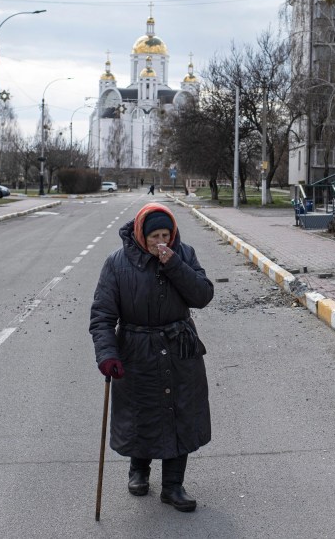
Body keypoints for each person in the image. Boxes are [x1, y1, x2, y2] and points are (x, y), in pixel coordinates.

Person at [89, 203, 214, 512]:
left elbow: (202, 295)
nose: (161, 242)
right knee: (141, 411)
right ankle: (138, 470)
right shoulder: (117, 264)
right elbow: (102, 316)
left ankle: (173, 485)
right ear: (140, 235)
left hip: (179, 347)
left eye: (166, 235)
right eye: (154, 236)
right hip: (137, 349)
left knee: (179, 412)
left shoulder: (183, 254)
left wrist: (174, 264)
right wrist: (107, 355)